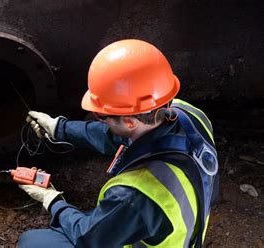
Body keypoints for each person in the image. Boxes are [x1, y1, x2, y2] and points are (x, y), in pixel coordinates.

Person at [18, 39, 219, 247]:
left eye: (100, 115)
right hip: (179, 229)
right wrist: (59, 128)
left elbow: (87, 237)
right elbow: (115, 134)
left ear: (130, 121)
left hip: (145, 227)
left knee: (32, 242)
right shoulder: (188, 114)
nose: (98, 118)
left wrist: (53, 201)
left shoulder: (135, 195)